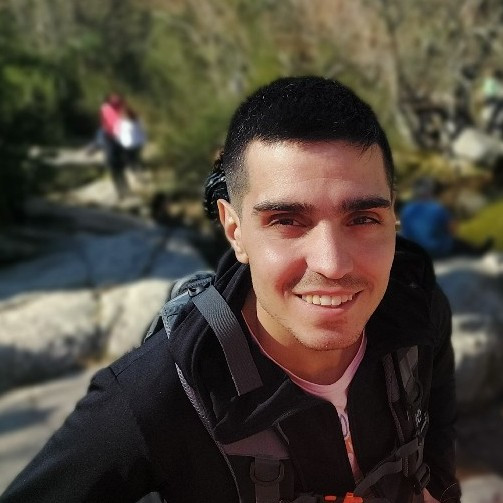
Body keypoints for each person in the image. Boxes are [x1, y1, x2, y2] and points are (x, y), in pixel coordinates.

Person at [0, 77, 461, 503]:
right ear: (234, 230)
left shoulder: (415, 308)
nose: (333, 264)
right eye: (286, 220)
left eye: (362, 218)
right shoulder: (157, 395)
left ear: (392, 217)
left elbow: (437, 435)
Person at [400, 176, 492, 259]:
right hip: (438, 250)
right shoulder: (437, 207)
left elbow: (406, 231)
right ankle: (477, 252)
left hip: (416, 251)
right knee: (459, 244)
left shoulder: (406, 209)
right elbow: (452, 229)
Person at [100, 93, 130, 198]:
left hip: (118, 139)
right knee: (114, 166)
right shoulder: (106, 108)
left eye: (117, 98)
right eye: (113, 98)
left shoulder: (121, 108)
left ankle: (124, 190)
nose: (115, 100)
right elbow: (105, 124)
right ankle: (121, 191)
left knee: (119, 167)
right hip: (110, 139)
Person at [116, 106, 147, 175]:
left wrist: (144, 140)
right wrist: (120, 140)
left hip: (135, 143)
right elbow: (117, 132)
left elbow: (143, 130)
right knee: (130, 158)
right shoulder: (121, 121)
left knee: (134, 158)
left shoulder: (137, 120)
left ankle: (136, 169)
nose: (125, 115)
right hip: (128, 144)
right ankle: (133, 170)